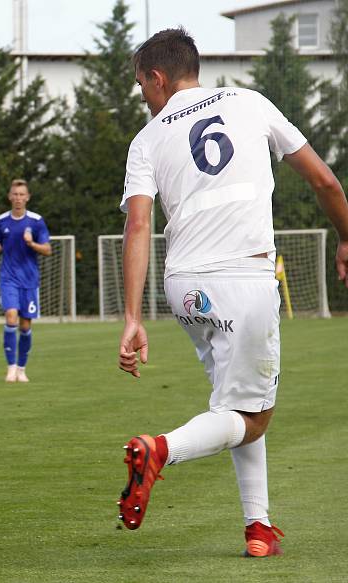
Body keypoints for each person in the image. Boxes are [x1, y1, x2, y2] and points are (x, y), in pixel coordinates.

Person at [116, 29, 348, 557]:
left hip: (185, 287)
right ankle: (160, 450)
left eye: (140, 85)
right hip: (242, 279)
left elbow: (137, 226)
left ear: (157, 78)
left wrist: (132, 316)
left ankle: (258, 526)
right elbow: (325, 183)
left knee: (236, 402)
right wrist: (346, 237)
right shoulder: (250, 101)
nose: (143, 96)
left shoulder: (147, 139)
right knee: (254, 414)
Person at [0, 179, 51, 383]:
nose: (18, 198)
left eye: (21, 194)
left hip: (30, 281)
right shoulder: (1, 221)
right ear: (9, 197)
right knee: (11, 316)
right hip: (8, 279)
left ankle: (22, 369)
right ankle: (11, 368)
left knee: (25, 326)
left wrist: (31, 243)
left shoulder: (36, 221)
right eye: (15, 194)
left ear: (27, 197)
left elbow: (47, 250)